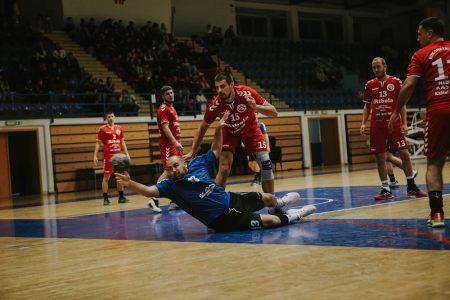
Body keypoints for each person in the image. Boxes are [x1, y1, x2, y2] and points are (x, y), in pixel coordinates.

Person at [116, 111, 317, 232]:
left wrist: (219, 129)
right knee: (271, 220)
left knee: (270, 198)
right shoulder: (171, 186)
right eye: (169, 169)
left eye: (175, 166)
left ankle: (282, 203)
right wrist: (130, 183)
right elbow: (150, 191)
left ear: (184, 163)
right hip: (222, 220)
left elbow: (215, 149)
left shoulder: (197, 163)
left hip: (229, 199)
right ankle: (295, 215)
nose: (173, 170)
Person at [388, 17, 450, 228]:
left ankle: (437, 215)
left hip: (439, 110)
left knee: (434, 163)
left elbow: (408, 85)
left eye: (419, 34)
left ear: (429, 33)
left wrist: (397, 112)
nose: (417, 38)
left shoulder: (421, 54)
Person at [184, 72, 279, 208]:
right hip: (229, 132)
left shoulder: (246, 93)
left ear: (232, 84)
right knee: (224, 168)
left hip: (251, 130)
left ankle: (273, 205)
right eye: (217, 87)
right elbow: (202, 128)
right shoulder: (215, 105)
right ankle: (218, 206)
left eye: (222, 86)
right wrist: (192, 151)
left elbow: (274, 112)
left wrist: (255, 107)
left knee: (266, 164)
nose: (219, 90)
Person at [360, 57, 426, 201]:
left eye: (378, 67)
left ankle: (411, 186)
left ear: (385, 66)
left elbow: (401, 104)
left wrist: (403, 123)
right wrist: (364, 123)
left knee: (404, 153)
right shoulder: (369, 85)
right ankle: (385, 189)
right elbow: (367, 106)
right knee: (380, 157)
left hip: (394, 125)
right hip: (377, 126)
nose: (376, 70)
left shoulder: (396, 82)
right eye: (374, 68)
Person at [148, 86, 183, 213]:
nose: (171, 95)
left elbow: (175, 128)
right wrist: (174, 142)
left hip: (174, 144)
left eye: (172, 92)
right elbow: (165, 128)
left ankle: (174, 201)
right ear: (163, 96)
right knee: (168, 172)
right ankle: (153, 199)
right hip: (168, 144)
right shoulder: (163, 109)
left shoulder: (172, 108)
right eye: (168, 94)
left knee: (177, 171)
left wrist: (178, 142)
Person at [94, 112, 130, 205]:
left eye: (112, 116)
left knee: (119, 176)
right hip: (108, 157)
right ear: (106, 118)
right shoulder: (102, 129)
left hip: (118, 157)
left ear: (115, 117)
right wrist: (95, 155)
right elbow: (98, 143)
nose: (111, 118)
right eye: (109, 117)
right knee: (106, 177)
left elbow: (122, 142)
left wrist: (127, 154)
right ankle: (105, 199)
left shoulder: (119, 128)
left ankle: (121, 197)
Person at [250, 114, 270, 186]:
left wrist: (268, 146)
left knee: (258, 164)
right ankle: (258, 176)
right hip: (251, 146)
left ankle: (257, 179)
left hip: (260, 146)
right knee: (251, 164)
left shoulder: (261, 124)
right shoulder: (249, 124)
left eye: (256, 115)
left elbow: (265, 135)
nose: (254, 116)